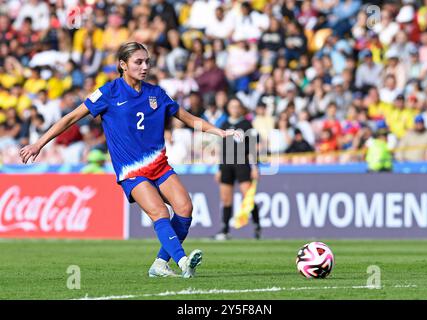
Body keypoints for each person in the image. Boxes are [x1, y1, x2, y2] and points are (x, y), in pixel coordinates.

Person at [19, 41, 242, 278]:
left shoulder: (156, 93)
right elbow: (70, 118)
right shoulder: (108, 93)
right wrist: (38, 143)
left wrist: (219, 131)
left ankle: (159, 264)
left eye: (147, 62)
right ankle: (184, 261)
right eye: (139, 62)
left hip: (160, 166)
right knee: (159, 213)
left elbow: (187, 118)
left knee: (185, 208)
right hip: (132, 171)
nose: (145, 66)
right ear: (123, 65)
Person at [214, 98, 261, 240]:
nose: (234, 109)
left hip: (242, 163)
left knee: (248, 196)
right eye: (232, 106)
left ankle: (257, 226)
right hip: (226, 164)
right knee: (226, 198)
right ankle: (225, 229)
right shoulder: (224, 124)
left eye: (237, 106)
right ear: (228, 108)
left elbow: (253, 147)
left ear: (241, 108)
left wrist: (254, 167)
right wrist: (219, 169)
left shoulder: (246, 124)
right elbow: (221, 149)